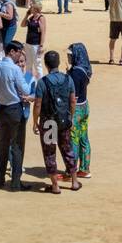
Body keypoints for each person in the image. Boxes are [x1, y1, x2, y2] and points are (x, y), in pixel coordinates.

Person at [32, 50, 80, 193]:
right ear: (58, 63)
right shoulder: (68, 79)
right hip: (64, 121)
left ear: (46, 65)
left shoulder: (42, 82)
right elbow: (72, 101)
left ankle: (55, 186)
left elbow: (38, 105)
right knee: (67, 150)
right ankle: (75, 182)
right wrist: (70, 118)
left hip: (49, 123)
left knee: (49, 153)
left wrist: (35, 122)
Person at [0, 41, 34, 191]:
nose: (20, 55)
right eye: (19, 52)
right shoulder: (15, 69)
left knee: (1, 145)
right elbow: (26, 90)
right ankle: (15, 182)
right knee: (17, 146)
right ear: (12, 51)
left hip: (1, 110)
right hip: (15, 110)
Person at [65, 41, 92, 179]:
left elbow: (73, 97)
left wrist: (70, 113)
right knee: (84, 138)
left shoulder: (75, 73)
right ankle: (85, 169)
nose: (69, 57)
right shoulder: (84, 69)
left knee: (73, 139)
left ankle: (72, 171)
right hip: (85, 106)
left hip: (76, 109)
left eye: (70, 55)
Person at [21, 1, 48, 78]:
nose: (30, 8)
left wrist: (41, 46)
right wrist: (27, 15)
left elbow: (43, 33)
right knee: (28, 63)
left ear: (35, 9)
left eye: (31, 7)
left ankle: (40, 83)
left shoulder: (41, 18)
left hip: (36, 45)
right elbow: (22, 25)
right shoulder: (31, 17)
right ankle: (28, 81)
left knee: (37, 64)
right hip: (28, 43)